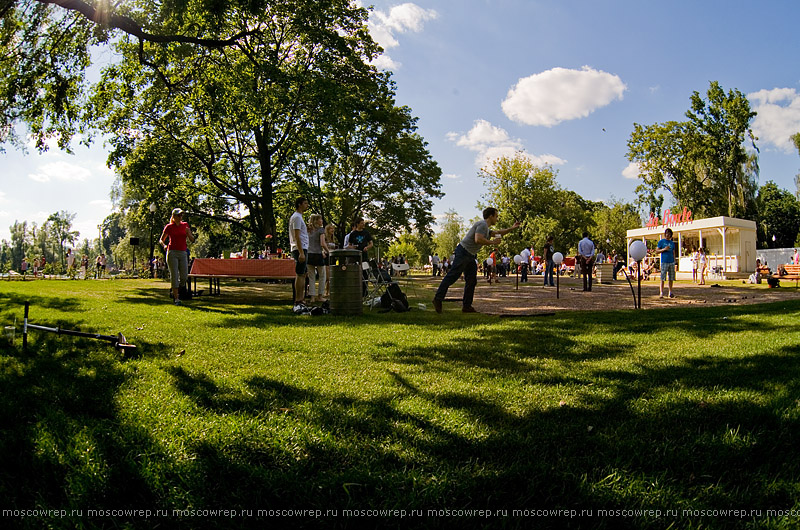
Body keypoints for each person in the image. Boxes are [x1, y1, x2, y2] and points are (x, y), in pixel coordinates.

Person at [432, 207, 519, 314]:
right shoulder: (482, 225)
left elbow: (499, 233)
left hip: (470, 255)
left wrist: (512, 228)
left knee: (471, 280)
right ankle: (438, 299)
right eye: (496, 216)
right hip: (463, 252)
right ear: (490, 216)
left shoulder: (486, 228)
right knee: (452, 276)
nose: (497, 218)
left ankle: (467, 306)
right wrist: (493, 243)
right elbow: (478, 239)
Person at [159, 208, 196, 306]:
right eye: (178, 215)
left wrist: (188, 234)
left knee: (184, 277)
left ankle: (175, 289)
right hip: (172, 253)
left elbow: (192, 240)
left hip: (183, 252)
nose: (180, 217)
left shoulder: (185, 226)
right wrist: (164, 245)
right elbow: (161, 240)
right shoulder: (169, 227)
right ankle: (176, 299)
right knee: (174, 275)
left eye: (181, 215)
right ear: (174, 217)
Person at [288, 197, 310, 312]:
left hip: (302, 248)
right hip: (299, 249)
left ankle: (301, 298)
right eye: (305, 203)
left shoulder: (299, 217)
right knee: (300, 274)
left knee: (303, 274)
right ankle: (298, 300)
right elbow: (296, 236)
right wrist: (301, 252)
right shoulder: (296, 217)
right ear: (299, 204)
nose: (307, 205)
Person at [306, 213, 327, 303]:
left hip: (309, 254)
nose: (322, 221)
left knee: (311, 277)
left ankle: (312, 297)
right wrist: (327, 251)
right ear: (317, 220)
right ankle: (320, 295)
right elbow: (322, 243)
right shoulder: (321, 230)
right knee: (322, 275)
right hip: (317, 254)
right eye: (320, 219)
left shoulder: (308, 230)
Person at [656, 228, 676, 298]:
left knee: (671, 278)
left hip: (671, 262)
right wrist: (664, 249)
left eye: (669, 234)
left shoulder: (672, 243)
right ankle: (661, 292)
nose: (668, 235)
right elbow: (657, 251)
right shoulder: (661, 242)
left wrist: (674, 260)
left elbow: (673, 252)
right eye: (667, 233)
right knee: (663, 278)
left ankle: (670, 292)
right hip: (664, 261)